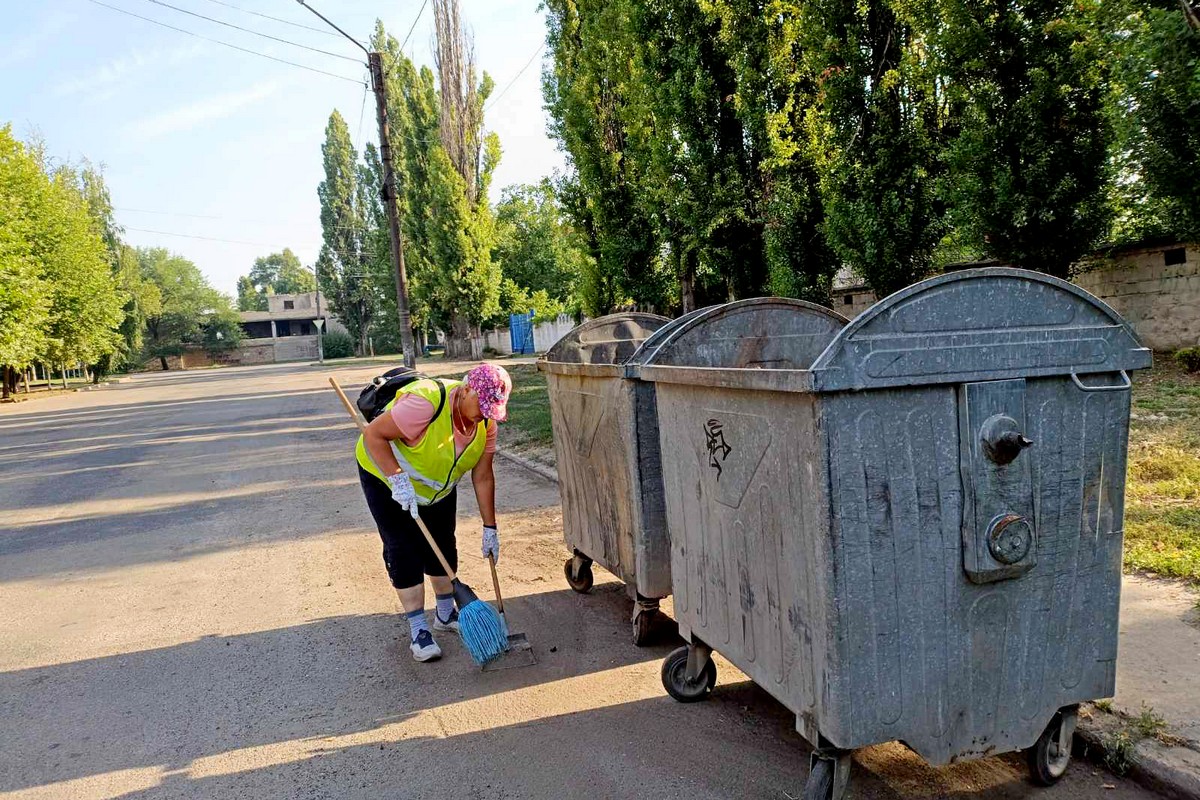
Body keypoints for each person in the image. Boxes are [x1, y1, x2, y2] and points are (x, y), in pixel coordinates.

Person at [356, 363, 512, 662]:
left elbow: (483, 476)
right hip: (386, 477)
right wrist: (398, 480)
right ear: (465, 389)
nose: (486, 414)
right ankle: (418, 630)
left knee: (442, 543)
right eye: (482, 405)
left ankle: (444, 614)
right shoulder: (425, 402)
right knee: (403, 548)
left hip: (436, 485)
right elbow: (373, 436)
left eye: (493, 409)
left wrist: (490, 527)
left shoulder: (485, 424)